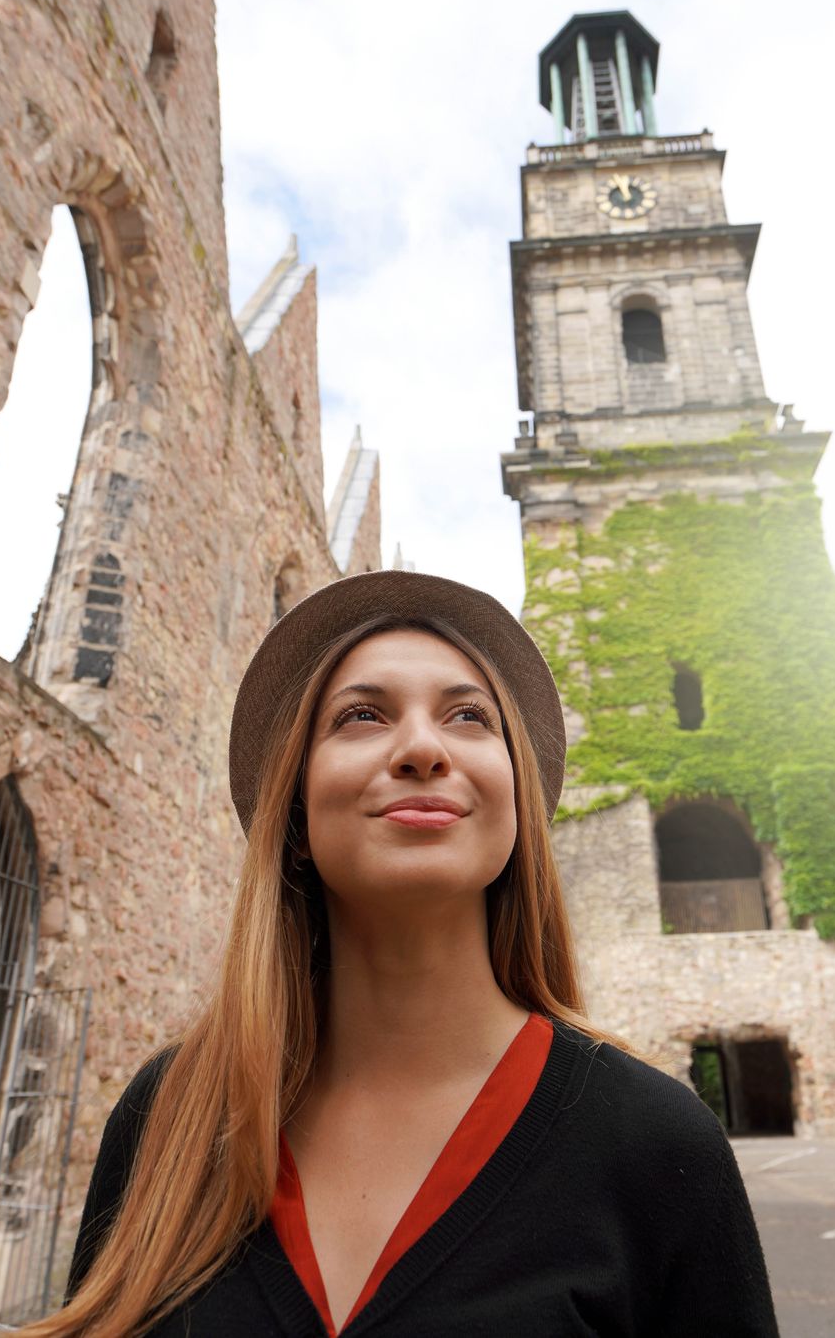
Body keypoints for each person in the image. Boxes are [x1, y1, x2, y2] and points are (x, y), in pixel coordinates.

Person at [41, 572, 777, 1337]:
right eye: (361, 715)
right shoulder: (168, 1118)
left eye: (468, 715)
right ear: (292, 815)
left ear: (517, 808)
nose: (423, 746)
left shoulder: (657, 1147)